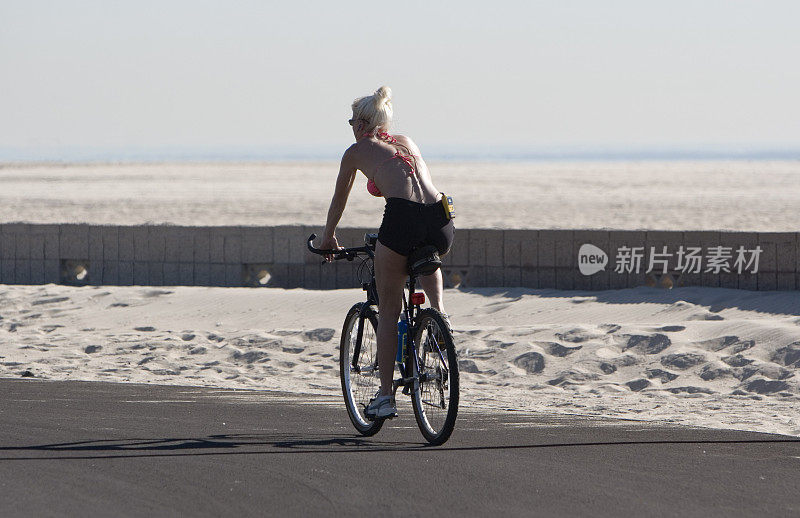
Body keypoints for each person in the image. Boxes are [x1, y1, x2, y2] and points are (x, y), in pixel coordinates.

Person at [318, 86, 454, 419]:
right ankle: (439, 315)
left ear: (362, 123)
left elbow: (340, 199)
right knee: (427, 255)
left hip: (403, 219)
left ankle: (385, 396)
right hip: (442, 217)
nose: (350, 125)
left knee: (390, 310)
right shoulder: (406, 141)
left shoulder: (356, 150)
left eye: (352, 119)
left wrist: (329, 237)